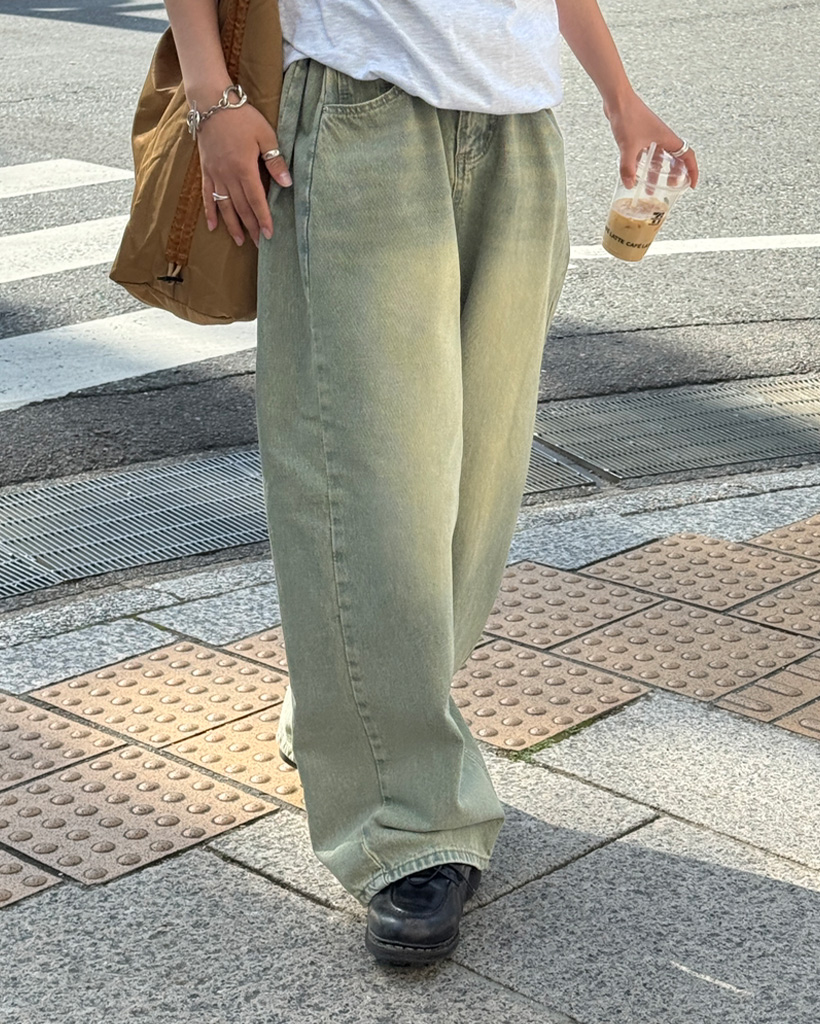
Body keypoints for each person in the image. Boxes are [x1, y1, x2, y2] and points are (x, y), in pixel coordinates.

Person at [163, 0, 698, 967]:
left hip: (521, 133)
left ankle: (350, 708)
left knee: (478, 479)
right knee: (367, 472)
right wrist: (213, 98)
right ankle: (405, 821)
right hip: (365, 117)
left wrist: (620, 99)